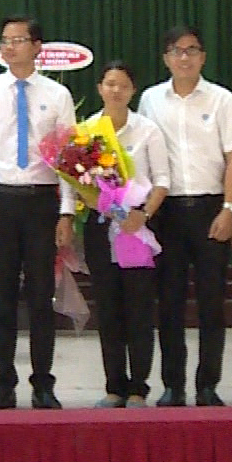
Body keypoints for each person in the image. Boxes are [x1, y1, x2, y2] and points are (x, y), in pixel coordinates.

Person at [0, 16, 75, 410]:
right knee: (3, 296)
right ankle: (4, 383)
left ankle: (43, 384)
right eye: (5, 40)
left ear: (37, 46)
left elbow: (69, 158)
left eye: (18, 40)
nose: (9, 47)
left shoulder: (57, 95)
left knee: (42, 297)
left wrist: (67, 211)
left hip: (42, 201)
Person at [138, 25, 232, 406]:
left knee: (211, 302)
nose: (184, 57)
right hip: (166, 212)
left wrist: (230, 208)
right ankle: (173, 385)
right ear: (166, 58)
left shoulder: (222, 100)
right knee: (168, 301)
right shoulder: (151, 100)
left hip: (211, 209)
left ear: (203, 57)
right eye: (177, 51)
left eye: (192, 50)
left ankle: (207, 385)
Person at [79, 62, 168, 407]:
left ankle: (138, 387)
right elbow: (77, 183)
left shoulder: (147, 130)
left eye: (123, 85)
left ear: (133, 91)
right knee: (109, 308)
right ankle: (114, 386)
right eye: (110, 84)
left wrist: (142, 214)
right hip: (102, 229)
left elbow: (163, 181)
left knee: (139, 309)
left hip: (137, 228)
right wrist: (96, 203)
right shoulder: (87, 132)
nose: (116, 91)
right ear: (100, 88)